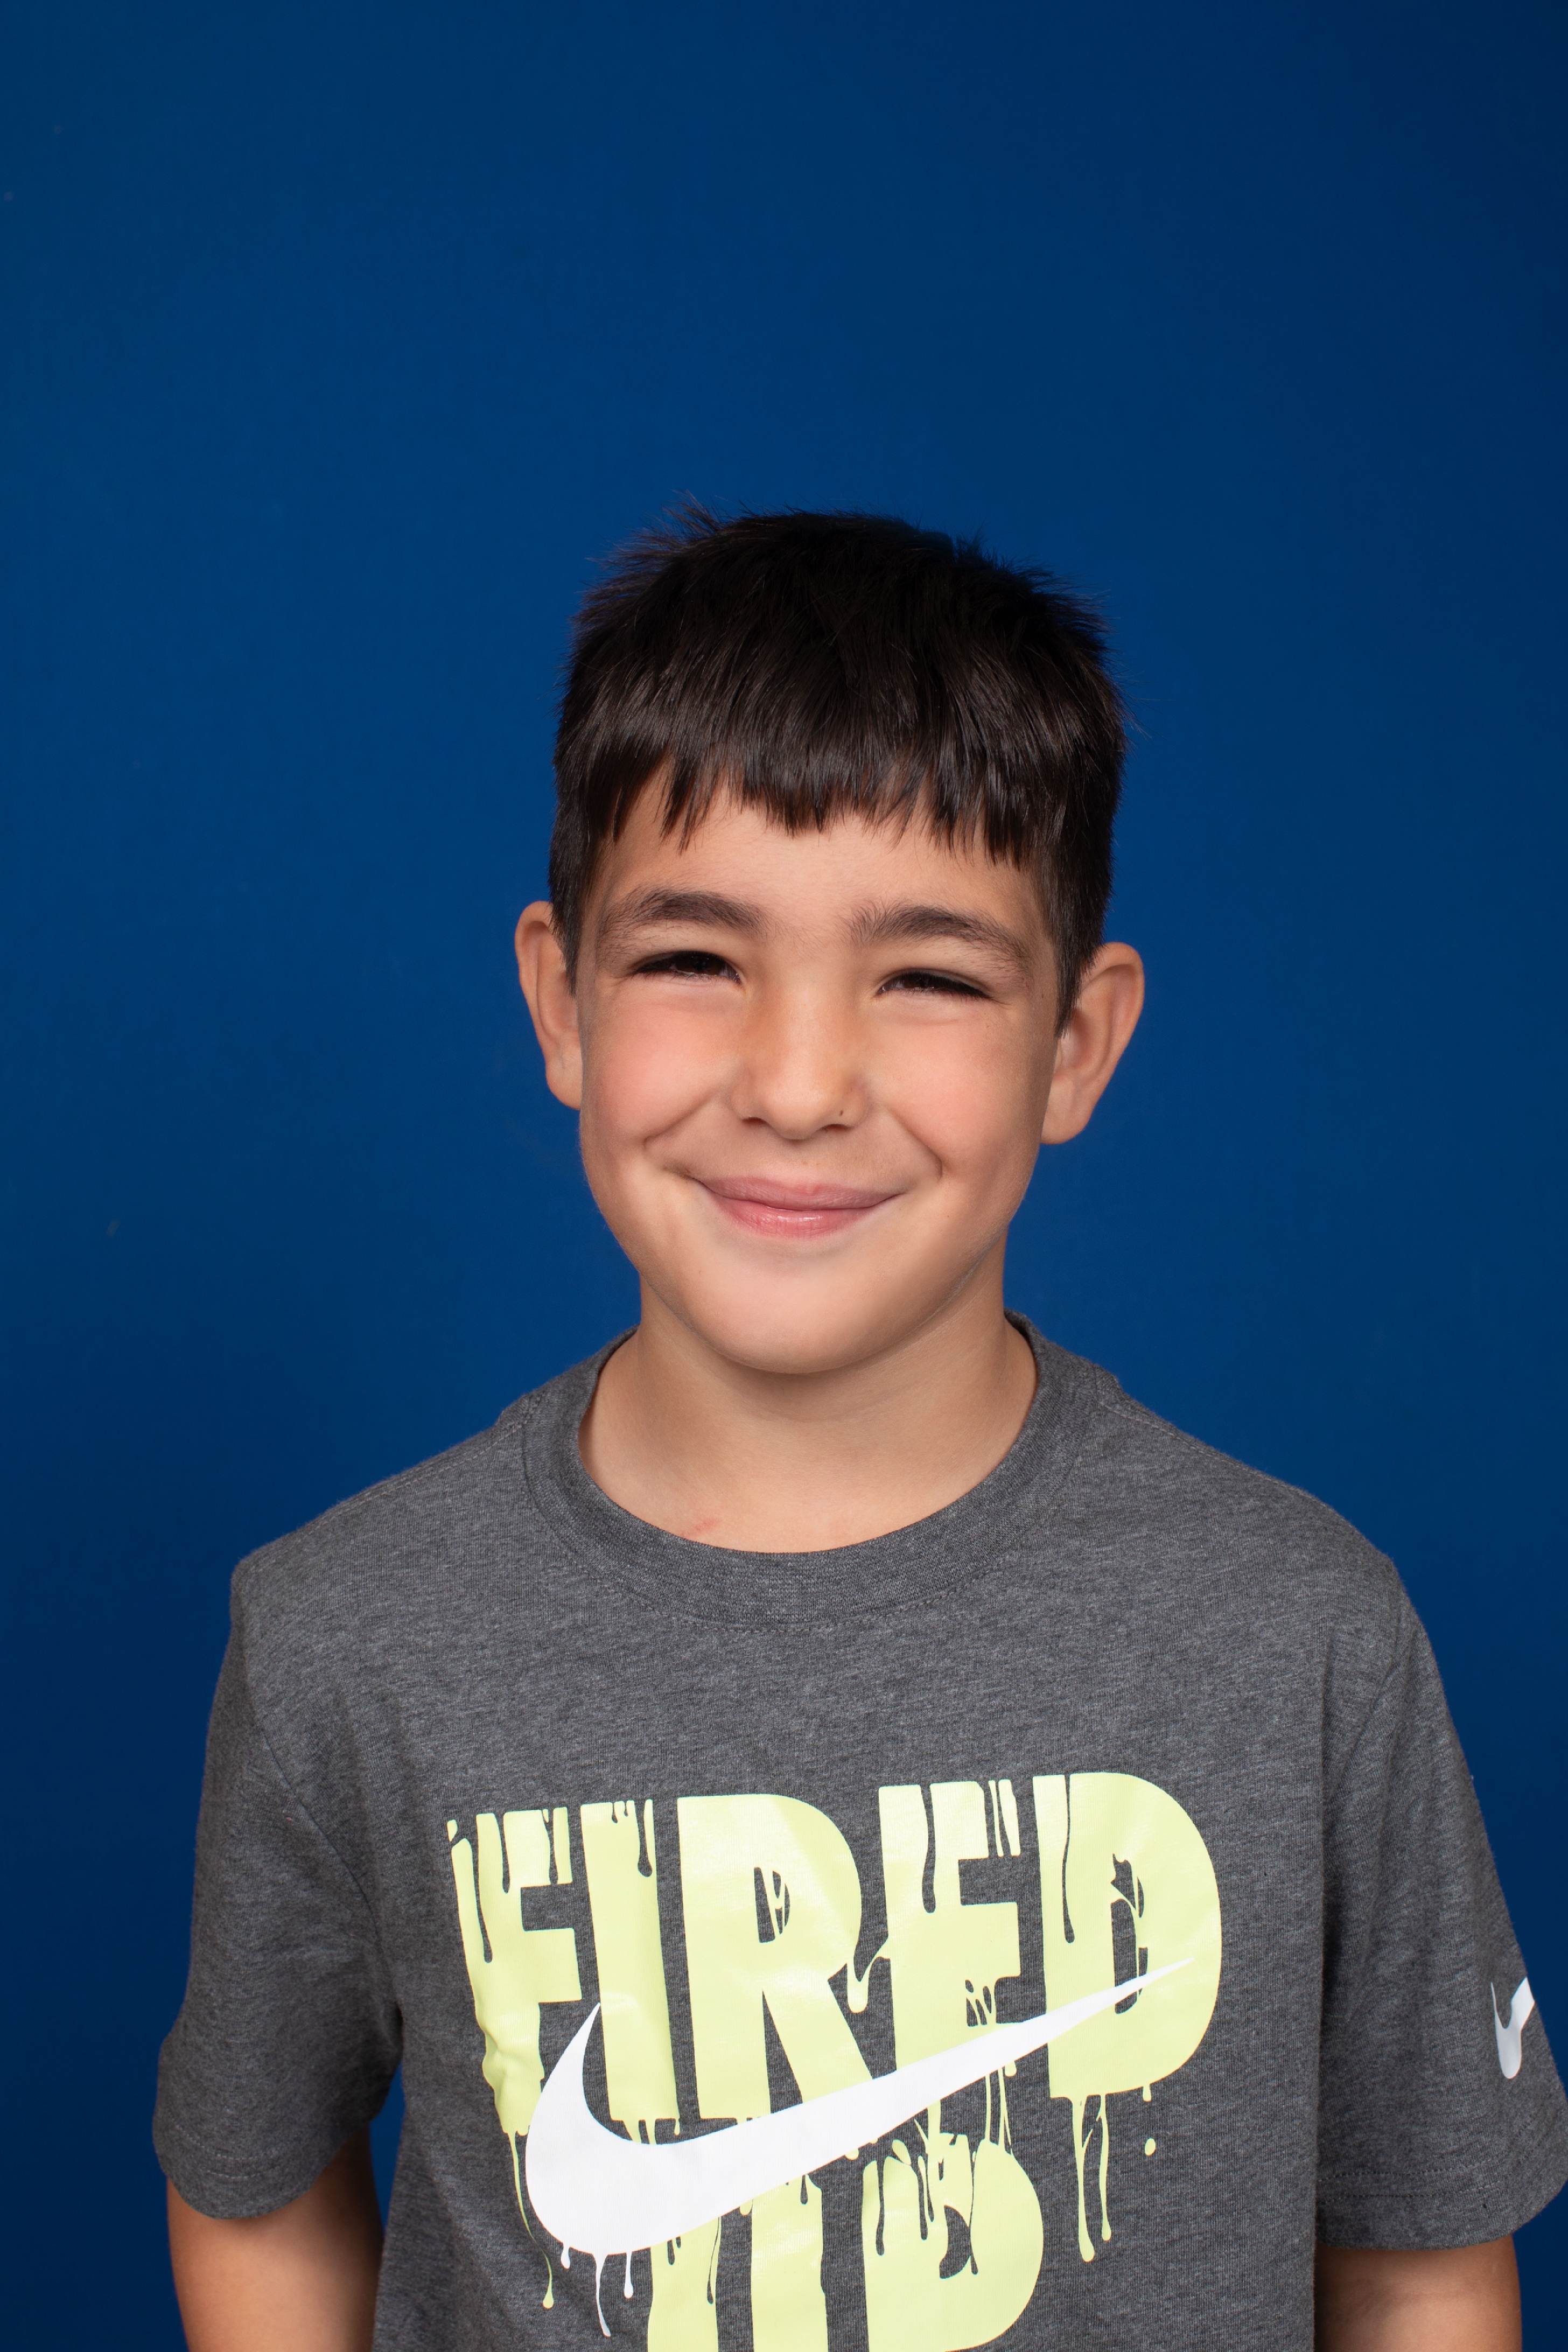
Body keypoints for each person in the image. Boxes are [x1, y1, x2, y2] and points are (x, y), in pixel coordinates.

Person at [156, 508, 1567, 2351]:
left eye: (931, 977)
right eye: (693, 959)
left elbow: (1419, 2264)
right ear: (560, 1002)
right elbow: (256, 2195)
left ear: (1077, 1044)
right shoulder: (347, 1635)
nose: (801, 1083)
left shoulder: (1301, 1634)